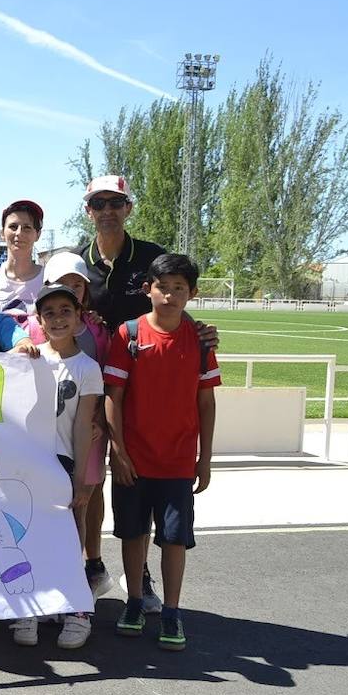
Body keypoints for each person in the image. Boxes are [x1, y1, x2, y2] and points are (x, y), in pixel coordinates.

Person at [81, 175, 219, 611]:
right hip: (88, 385)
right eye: (99, 203)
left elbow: (172, 298)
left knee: (134, 485)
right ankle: (92, 566)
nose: (107, 210)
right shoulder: (78, 261)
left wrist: (197, 332)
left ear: (128, 208)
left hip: (136, 385)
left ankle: (138, 579)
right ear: (88, 210)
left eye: (115, 202)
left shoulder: (150, 256)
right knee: (89, 481)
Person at [104, 253, 219, 651]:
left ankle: (172, 611)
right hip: (133, 460)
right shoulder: (129, 334)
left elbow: (206, 402)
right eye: (162, 287)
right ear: (147, 289)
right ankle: (134, 602)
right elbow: (113, 396)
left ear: (192, 293)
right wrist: (118, 451)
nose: (169, 295)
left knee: (174, 539)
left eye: (179, 288)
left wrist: (205, 458)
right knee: (133, 534)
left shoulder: (200, 341)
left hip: (178, 462)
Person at [10, 283, 103, 650]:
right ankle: (31, 605)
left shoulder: (87, 368)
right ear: (39, 320)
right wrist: (16, 352)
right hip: (29, 460)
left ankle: (77, 609)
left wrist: (80, 477)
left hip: (63, 460)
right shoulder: (26, 358)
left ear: (79, 316)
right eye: (49, 312)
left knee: (70, 533)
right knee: (28, 534)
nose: (58, 319)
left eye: (66, 311)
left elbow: (83, 425)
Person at [24, 250, 115, 598]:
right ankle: (40, 590)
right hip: (42, 449)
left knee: (80, 506)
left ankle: (77, 584)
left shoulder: (98, 333)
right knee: (39, 517)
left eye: (77, 286)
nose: (59, 316)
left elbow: (102, 382)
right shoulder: (30, 339)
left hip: (83, 436)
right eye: (62, 284)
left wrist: (99, 422)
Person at [0, 200, 46, 314]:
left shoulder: (48, 280)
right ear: (2, 233)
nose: (19, 233)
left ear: (38, 235)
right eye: (13, 227)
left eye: (27, 227)